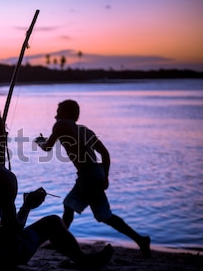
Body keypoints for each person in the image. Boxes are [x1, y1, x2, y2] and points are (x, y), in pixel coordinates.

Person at [0, 108, 113, 269]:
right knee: (52, 223)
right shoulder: (4, 177)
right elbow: (12, 232)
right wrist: (27, 207)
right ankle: (82, 260)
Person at [35, 99, 151, 257]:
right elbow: (105, 154)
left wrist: (40, 141)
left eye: (58, 111)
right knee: (69, 205)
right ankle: (59, 240)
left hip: (88, 175)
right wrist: (105, 177)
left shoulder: (61, 125)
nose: (56, 115)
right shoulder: (84, 130)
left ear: (67, 113)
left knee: (104, 215)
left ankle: (140, 240)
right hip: (94, 172)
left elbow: (48, 147)